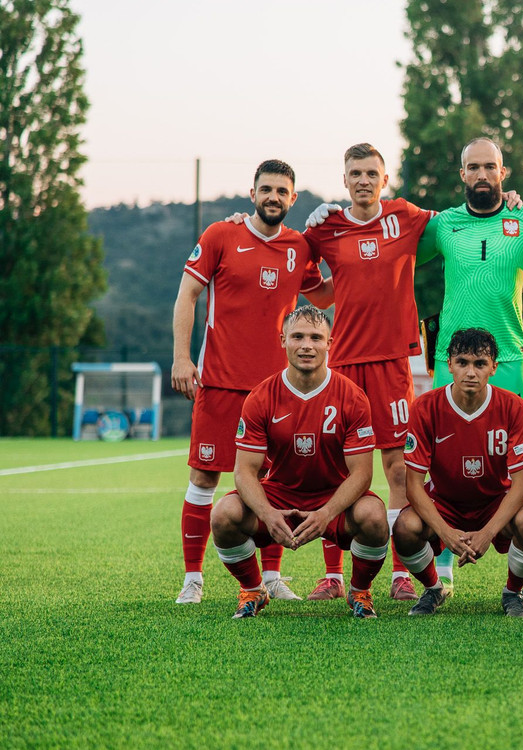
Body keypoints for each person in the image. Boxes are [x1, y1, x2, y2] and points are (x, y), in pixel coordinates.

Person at [170, 159, 327, 605]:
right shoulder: (221, 235)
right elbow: (187, 294)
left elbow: (325, 295)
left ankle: (273, 576)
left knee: (275, 482)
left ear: (293, 199)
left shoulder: (300, 246)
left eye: (282, 191)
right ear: (252, 192)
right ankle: (193, 579)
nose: (274, 197)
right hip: (219, 382)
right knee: (204, 476)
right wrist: (182, 358)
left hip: (277, 390)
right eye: (266, 189)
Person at [412, 137, 523, 597]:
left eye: (491, 166)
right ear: (462, 175)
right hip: (451, 357)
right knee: (443, 462)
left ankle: (519, 571)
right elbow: (389, 245)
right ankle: (444, 561)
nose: (483, 174)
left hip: (509, 357)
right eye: (474, 167)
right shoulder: (443, 225)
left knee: (513, 465)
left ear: (503, 173)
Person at [300, 143, 434, 602]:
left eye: (370, 173)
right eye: (354, 172)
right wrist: (305, 224)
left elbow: (461, 220)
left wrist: (508, 199)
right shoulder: (327, 228)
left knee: (397, 467)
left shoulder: (407, 216)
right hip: (340, 365)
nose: (362, 180)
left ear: (385, 179)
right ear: (344, 180)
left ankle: (399, 571)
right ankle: (333, 575)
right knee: (334, 469)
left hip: (392, 362)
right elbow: (309, 285)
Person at [209, 306, 389, 619]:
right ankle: (253, 589)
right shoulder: (261, 397)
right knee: (223, 515)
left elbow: (362, 474)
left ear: (330, 343)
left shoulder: (352, 396)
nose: (307, 345)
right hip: (280, 495)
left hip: (333, 496)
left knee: (374, 516)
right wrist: (267, 513)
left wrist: (327, 513)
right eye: (298, 337)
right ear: (283, 340)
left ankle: (359, 591)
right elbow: (244, 472)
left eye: (316, 338)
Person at [394, 328, 523, 617]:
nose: (470, 372)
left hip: (494, 503)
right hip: (445, 504)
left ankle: (513, 593)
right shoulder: (425, 408)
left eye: (479, 364)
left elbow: (521, 486)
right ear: (449, 365)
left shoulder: (513, 407)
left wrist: (487, 533)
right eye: (462, 362)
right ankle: (434, 588)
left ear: (493, 368)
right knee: (404, 527)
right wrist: (446, 533)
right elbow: (413, 485)